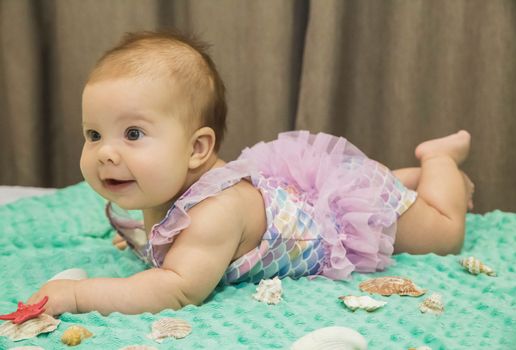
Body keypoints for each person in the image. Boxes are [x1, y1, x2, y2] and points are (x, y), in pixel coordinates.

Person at [28, 31, 474, 316]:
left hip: (339, 221)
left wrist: (77, 296)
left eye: (131, 133)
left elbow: (177, 289)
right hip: (297, 193)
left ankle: (438, 162)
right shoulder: (160, 187)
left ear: (197, 149)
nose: (105, 153)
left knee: (443, 230)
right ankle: (404, 178)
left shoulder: (215, 213)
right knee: (381, 183)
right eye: (93, 134)